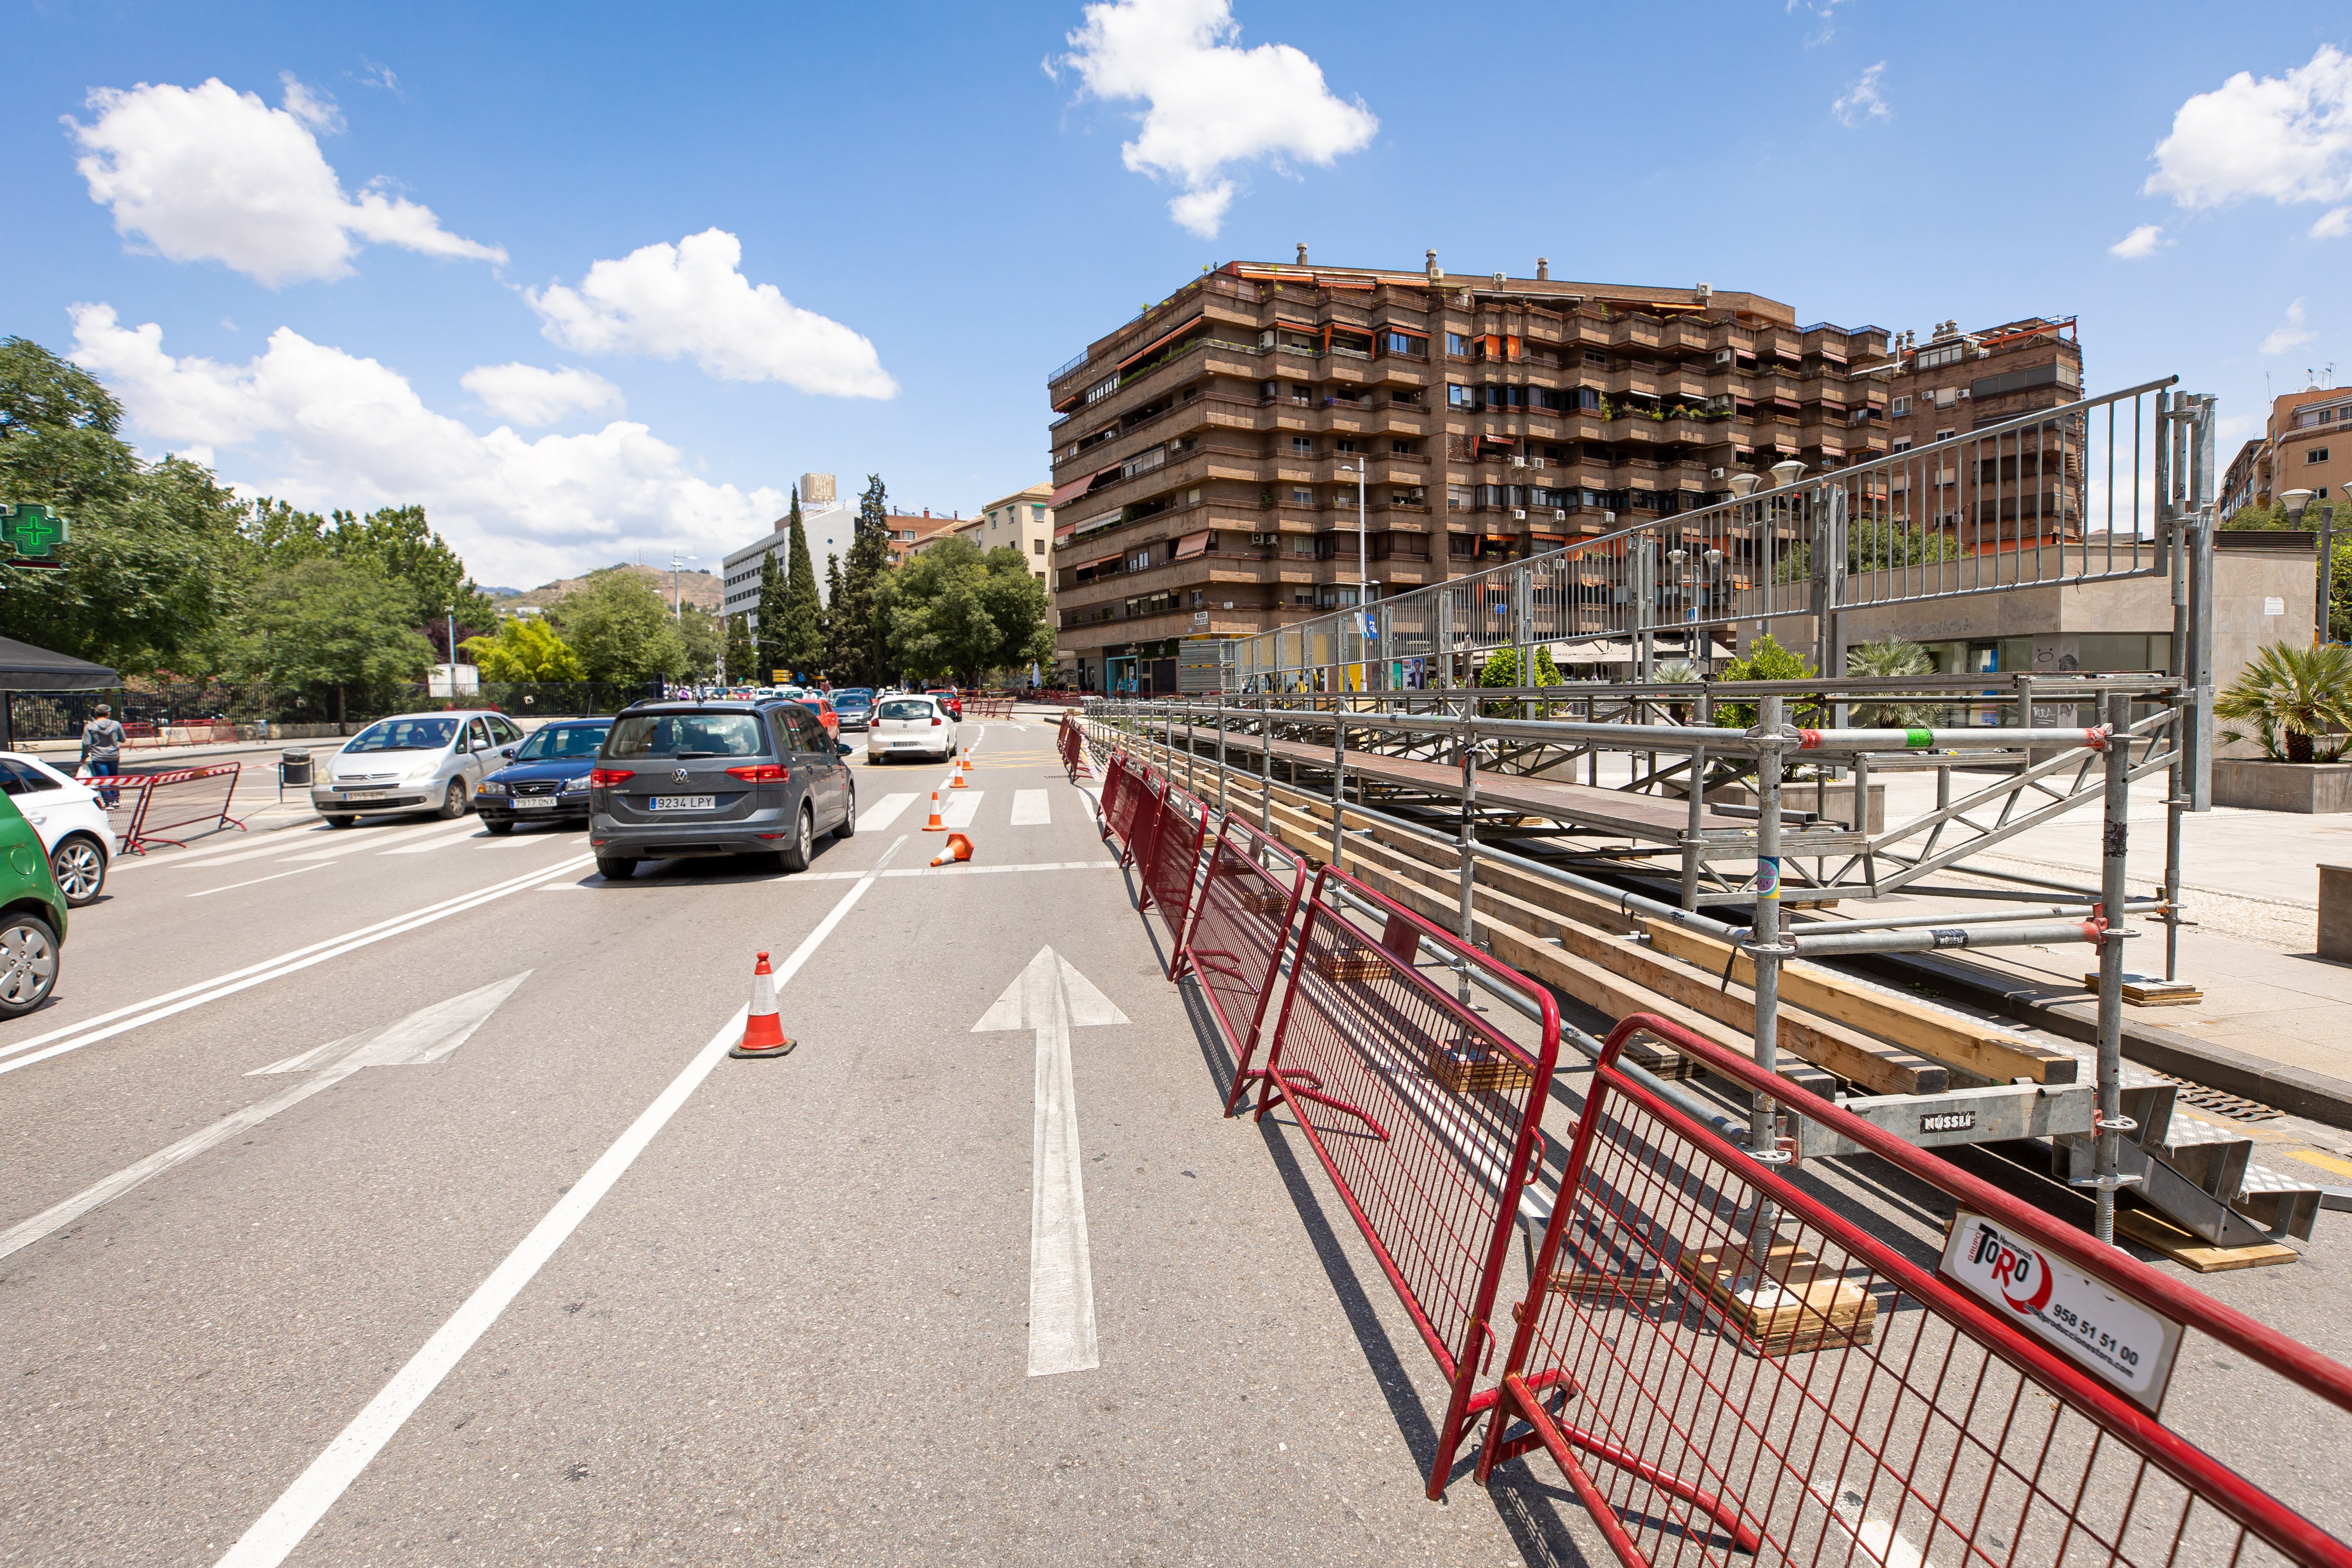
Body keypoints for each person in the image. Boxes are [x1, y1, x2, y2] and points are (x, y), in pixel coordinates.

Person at [79, 703, 127, 808]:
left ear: (96, 713)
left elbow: (87, 744)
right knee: (114, 777)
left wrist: (84, 756)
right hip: (114, 755)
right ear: (108, 713)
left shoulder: (90, 726)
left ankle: (108, 801)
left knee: (102, 778)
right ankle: (115, 799)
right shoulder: (116, 724)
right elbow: (123, 739)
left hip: (98, 756)